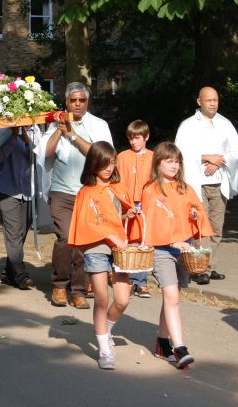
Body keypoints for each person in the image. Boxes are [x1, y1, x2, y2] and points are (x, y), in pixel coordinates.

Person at [38, 82, 113, 309]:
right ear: (67, 102)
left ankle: (79, 290)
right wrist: (60, 131)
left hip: (88, 193)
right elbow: (46, 153)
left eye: (82, 100)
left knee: (83, 241)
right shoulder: (56, 124)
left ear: (87, 102)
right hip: (61, 192)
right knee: (66, 238)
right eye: (73, 100)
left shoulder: (99, 125)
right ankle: (60, 285)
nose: (77, 104)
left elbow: (101, 155)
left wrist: (72, 136)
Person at [141, 142, 213, 369]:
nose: (174, 165)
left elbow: (200, 217)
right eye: (168, 161)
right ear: (158, 163)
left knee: (172, 298)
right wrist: (172, 241)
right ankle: (179, 347)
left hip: (184, 249)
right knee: (171, 296)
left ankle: (162, 343)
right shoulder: (150, 190)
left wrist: (194, 215)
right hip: (162, 250)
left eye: (176, 161)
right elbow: (150, 225)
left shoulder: (185, 188)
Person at [68, 141, 136, 369]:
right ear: (94, 164)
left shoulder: (117, 187)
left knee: (123, 299)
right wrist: (110, 235)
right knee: (101, 297)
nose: (109, 168)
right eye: (104, 163)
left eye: (112, 162)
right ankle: (104, 350)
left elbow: (116, 219)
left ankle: (105, 329)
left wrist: (128, 216)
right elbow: (87, 224)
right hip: (97, 247)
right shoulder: (86, 192)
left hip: (119, 249)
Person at [175, 86, 238, 284]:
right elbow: (180, 152)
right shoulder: (188, 126)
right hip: (197, 183)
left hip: (219, 182)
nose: (213, 103)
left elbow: (235, 150)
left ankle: (211, 266)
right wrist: (205, 157)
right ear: (199, 101)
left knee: (216, 227)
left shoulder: (225, 124)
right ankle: (199, 267)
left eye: (215, 100)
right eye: (209, 100)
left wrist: (218, 160)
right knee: (200, 227)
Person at [116, 119, 153, 298]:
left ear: (146, 137)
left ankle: (141, 281)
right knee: (127, 240)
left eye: (137, 138)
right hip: (127, 203)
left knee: (143, 240)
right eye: (131, 138)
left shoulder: (153, 157)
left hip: (145, 203)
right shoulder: (122, 156)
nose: (133, 142)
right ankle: (128, 280)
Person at [0, 126, 36, 290]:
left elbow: (39, 157)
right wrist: (13, 136)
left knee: (20, 234)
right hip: (8, 189)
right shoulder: (3, 131)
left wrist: (27, 140)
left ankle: (9, 272)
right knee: (13, 235)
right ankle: (21, 276)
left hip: (27, 190)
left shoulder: (35, 131)